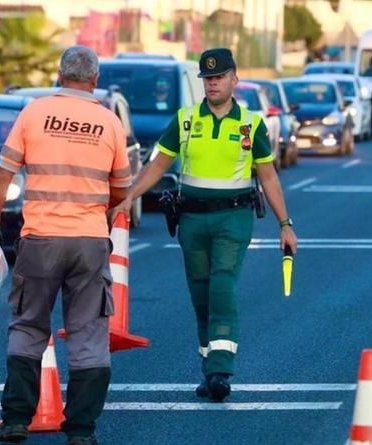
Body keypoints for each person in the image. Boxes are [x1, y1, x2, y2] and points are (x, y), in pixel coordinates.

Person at [110, 48, 298, 402]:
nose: (212, 84)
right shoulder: (185, 120)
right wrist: (128, 196)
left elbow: (269, 177)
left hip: (234, 218)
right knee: (200, 296)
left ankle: (220, 370)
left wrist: (285, 224)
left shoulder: (251, 124)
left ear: (234, 80)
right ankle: (208, 369)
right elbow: (157, 165)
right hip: (192, 220)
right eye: (207, 79)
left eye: (219, 77)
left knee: (221, 287)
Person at [0, 45, 132, 445]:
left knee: (29, 325)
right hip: (88, 242)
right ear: (95, 80)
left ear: (59, 76)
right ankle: (81, 430)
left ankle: (16, 420)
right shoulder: (108, 122)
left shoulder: (33, 113)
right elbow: (121, 189)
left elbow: (2, 175)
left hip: (40, 239)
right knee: (88, 332)